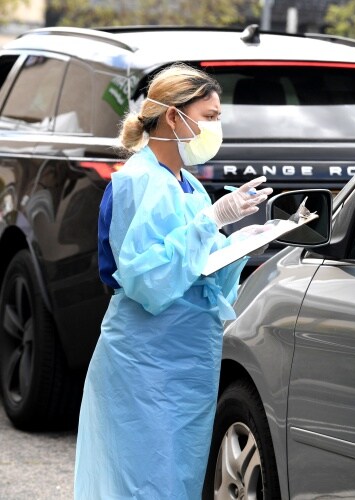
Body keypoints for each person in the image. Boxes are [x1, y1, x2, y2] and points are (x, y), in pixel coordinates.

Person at [74, 64, 272, 498]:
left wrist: (238, 243)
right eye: (210, 116)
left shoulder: (188, 186)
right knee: (142, 480)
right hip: (146, 359)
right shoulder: (136, 181)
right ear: (173, 116)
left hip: (187, 358)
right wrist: (210, 223)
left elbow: (197, 273)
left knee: (176, 479)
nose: (216, 127)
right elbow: (148, 282)